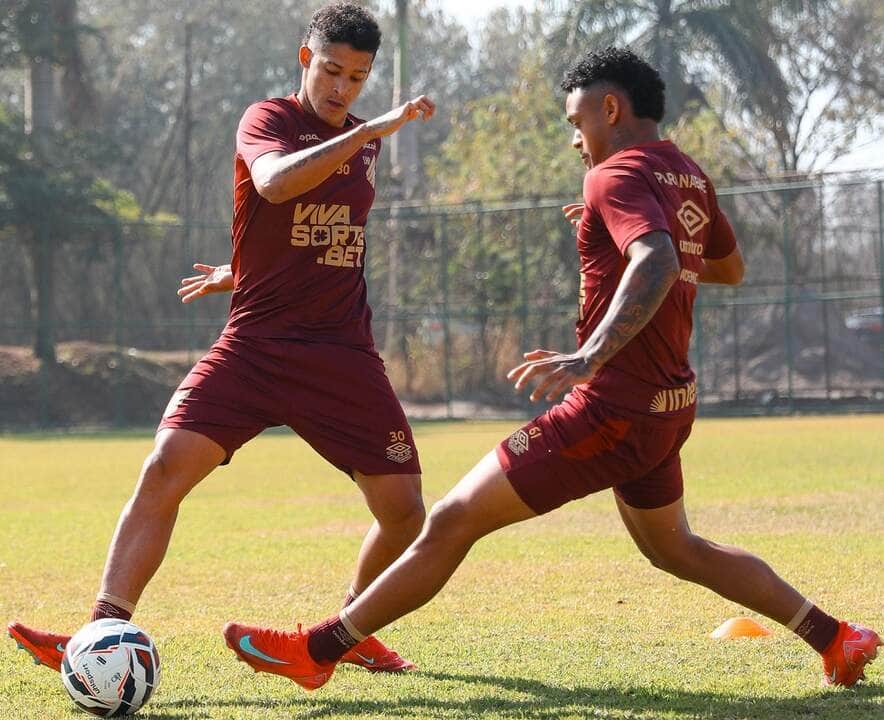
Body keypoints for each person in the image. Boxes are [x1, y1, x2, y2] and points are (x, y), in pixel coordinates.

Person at [219, 47, 881, 691]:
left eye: (577, 121)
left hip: (611, 409)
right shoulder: (686, 173)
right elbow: (724, 268)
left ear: (611, 108)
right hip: (667, 405)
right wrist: (627, 242)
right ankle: (834, 636)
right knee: (677, 549)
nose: (575, 141)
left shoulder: (615, 175)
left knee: (450, 519)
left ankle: (318, 651)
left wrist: (591, 353)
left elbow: (653, 259)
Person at [9, 2, 436, 676]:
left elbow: (326, 237)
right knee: (164, 467)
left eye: (357, 78)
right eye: (331, 70)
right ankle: (101, 632)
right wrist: (369, 129)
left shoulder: (366, 141)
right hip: (255, 348)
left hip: (339, 355)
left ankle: (347, 634)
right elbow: (273, 182)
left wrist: (241, 269)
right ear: (305, 58)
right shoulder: (270, 121)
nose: (341, 89)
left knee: (406, 512)